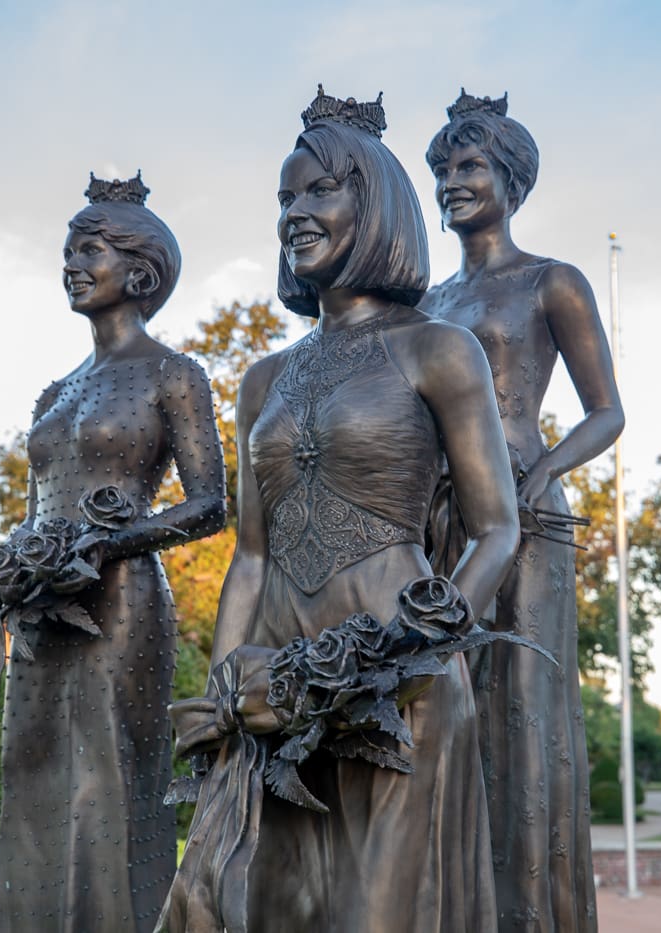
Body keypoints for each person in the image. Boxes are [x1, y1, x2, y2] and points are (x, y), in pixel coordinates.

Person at [159, 88, 520, 933]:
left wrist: (408, 648)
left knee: (379, 915)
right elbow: (250, 554)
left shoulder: (439, 348)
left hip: (403, 681)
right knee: (272, 909)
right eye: (285, 198)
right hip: (275, 688)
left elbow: (497, 529)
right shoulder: (260, 380)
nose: (295, 213)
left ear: (378, 202)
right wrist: (224, 694)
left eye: (319, 191)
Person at [0, 172, 226, 931]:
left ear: (140, 271)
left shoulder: (174, 375)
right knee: (32, 782)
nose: (71, 262)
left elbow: (210, 505)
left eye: (88, 248)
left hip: (120, 605)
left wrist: (107, 544)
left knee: (106, 785)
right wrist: (13, 572)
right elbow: (37, 507)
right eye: (68, 249)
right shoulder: (54, 391)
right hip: (42, 612)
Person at [420, 90, 625, 933]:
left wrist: (544, 473)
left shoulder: (553, 282)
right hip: (438, 522)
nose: (451, 184)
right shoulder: (426, 302)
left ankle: (530, 915)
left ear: (510, 177)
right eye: (441, 171)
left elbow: (607, 410)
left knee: (521, 711)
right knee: (443, 700)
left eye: (468, 167)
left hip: (529, 520)